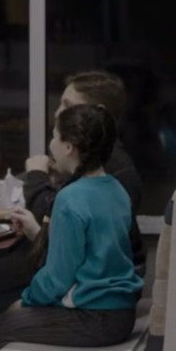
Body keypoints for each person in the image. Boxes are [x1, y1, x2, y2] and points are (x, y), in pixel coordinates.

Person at [0, 105, 142, 349]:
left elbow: (56, 279)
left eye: (54, 136)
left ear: (69, 147)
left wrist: (25, 301)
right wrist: (37, 232)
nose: (51, 144)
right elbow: (93, 253)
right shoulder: (117, 189)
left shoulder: (70, 198)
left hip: (93, 318)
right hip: (122, 314)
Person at [22, 71, 146, 277]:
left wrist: (36, 176)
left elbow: (55, 219)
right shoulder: (97, 159)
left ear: (98, 112)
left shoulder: (114, 172)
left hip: (102, 283)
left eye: (68, 106)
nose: (57, 113)